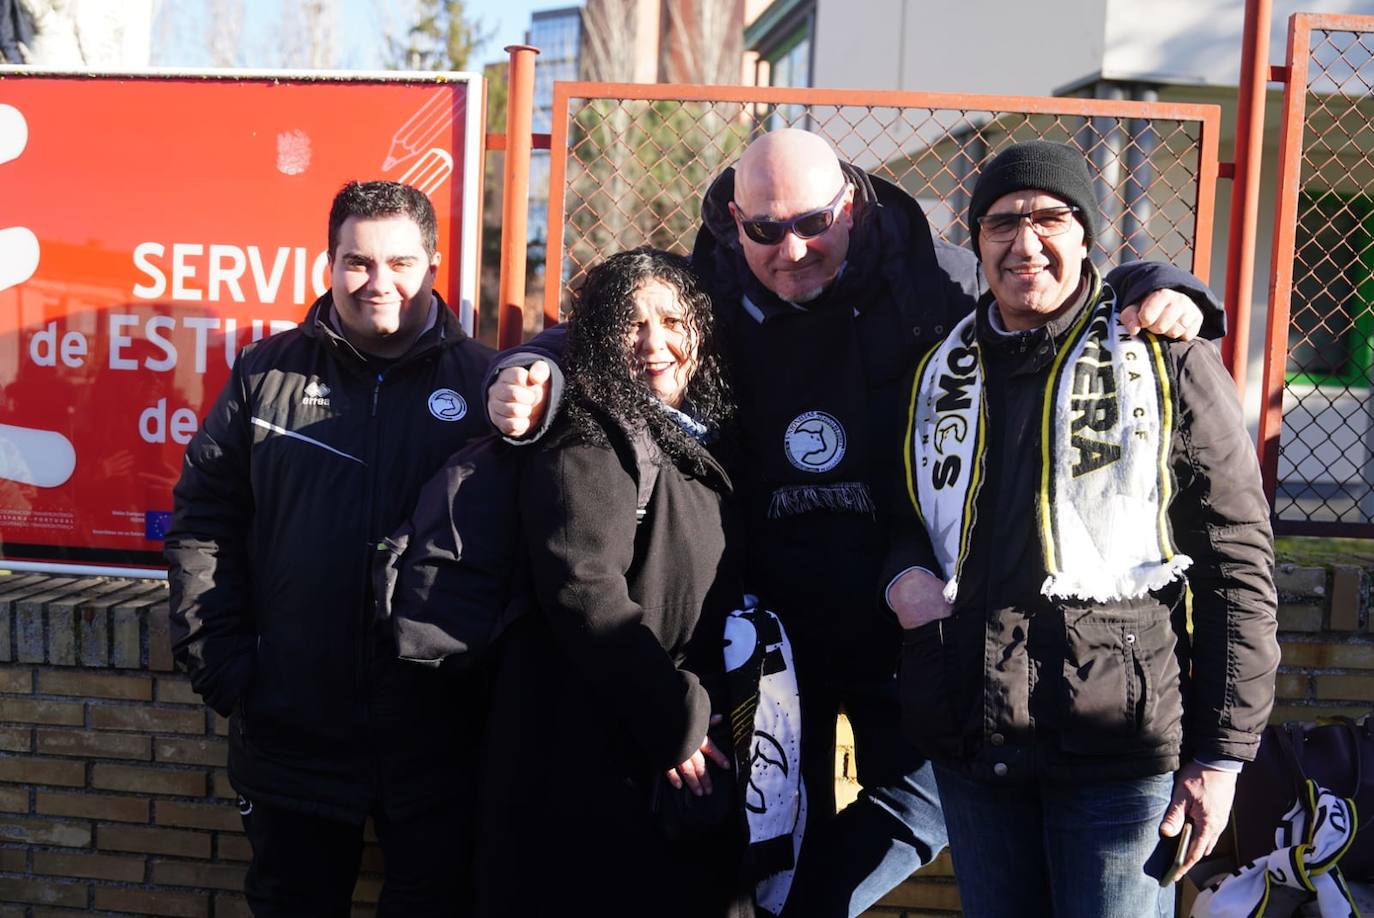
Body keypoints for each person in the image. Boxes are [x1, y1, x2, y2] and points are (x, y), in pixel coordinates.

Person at [485, 128, 1221, 917]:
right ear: (736, 220)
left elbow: (1043, 274)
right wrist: (527, 369)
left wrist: (1171, 284)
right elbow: (614, 329)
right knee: (770, 823)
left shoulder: (923, 277)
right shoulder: (716, 275)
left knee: (933, 794)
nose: (790, 248)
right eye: (765, 229)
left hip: (901, 613)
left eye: (811, 223)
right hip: (769, 627)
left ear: (849, 206)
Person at [890, 140, 1278, 916]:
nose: (1024, 242)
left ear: (1086, 235)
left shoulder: (1165, 360)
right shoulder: (941, 369)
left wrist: (1222, 757)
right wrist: (902, 581)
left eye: (1050, 219)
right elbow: (905, 516)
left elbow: (1236, 562)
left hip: (1119, 754)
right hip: (978, 741)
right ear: (976, 241)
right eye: (1001, 223)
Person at [165, 181, 494, 916]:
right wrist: (224, 667)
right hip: (291, 731)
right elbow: (204, 521)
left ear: (434, 264)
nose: (381, 284)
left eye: (401, 263)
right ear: (329, 263)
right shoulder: (264, 374)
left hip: (437, 738)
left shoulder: (486, 384)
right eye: (358, 263)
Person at [475, 249, 750, 917]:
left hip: (649, 753)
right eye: (631, 325)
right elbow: (584, 593)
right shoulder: (590, 435)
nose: (655, 343)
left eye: (672, 320)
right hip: (589, 769)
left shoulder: (699, 432)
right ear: (596, 335)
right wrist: (676, 716)